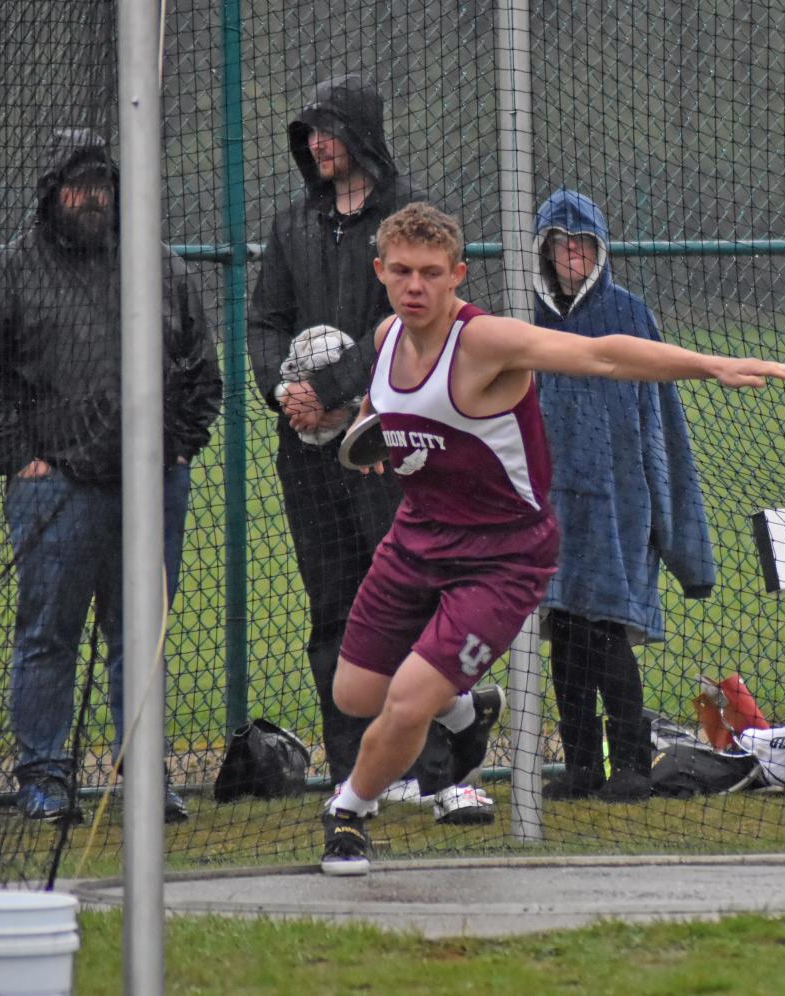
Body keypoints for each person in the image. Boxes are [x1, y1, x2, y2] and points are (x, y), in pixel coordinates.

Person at [319, 201, 785, 875]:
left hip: (504, 556)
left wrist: (709, 364)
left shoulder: (486, 341)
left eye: (432, 273)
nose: (415, 287)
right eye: (401, 272)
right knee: (354, 696)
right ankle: (462, 708)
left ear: (458, 274)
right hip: (418, 538)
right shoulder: (386, 339)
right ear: (381, 271)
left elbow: (601, 356)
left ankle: (349, 813)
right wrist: (371, 427)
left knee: (401, 707)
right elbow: (385, 403)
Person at [247, 74, 493, 824]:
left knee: (416, 608)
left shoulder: (409, 221)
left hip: (394, 447)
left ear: (363, 135)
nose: (319, 145)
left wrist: (342, 391)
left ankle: (441, 774)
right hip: (311, 453)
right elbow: (264, 323)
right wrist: (284, 394)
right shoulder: (292, 228)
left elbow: (414, 329)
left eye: (330, 131)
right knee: (336, 614)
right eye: (310, 135)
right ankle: (359, 777)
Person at [0, 128, 222, 822]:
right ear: (51, 192)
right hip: (54, 491)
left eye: (102, 184)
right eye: (77, 185)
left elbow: (202, 371)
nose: (90, 197)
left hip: (152, 484)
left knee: (139, 636)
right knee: (48, 634)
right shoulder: (7, 274)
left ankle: (143, 777)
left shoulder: (161, 268)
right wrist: (21, 459)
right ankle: (44, 778)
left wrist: (178, 447)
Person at [532, 188, 718, 802]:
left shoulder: (629, 315)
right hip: (549, 513)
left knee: (608, 634)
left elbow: (662, 428)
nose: (571, 255)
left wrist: (680, 539)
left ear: (600, 249)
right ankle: (582, 765)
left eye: (582, 244)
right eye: (559, 244)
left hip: (618, 510)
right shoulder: (523, 322)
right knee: (564, 637)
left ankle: (633, 763)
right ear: (543, 251)